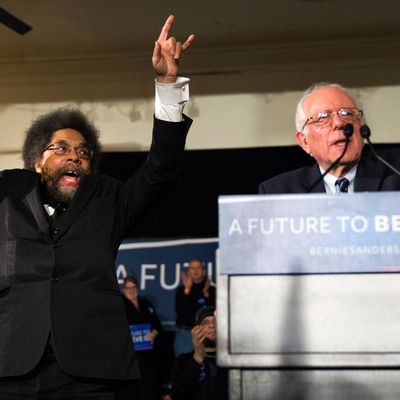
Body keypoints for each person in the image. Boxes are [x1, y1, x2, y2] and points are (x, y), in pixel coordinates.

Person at [0, 15, 194, 399]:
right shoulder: (7, 192)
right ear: (37, 162)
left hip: (91, 370)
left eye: (83, 153)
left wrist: (168, 84)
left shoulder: (110, 200)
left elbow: (162, 167)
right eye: (61, 149)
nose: (74, 157)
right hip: (11, 364)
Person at [259, 82, 400, 194]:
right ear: (304, 141)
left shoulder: (395, 171)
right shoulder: (278, 192)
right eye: (323, 117)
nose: (339, 123)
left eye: (347, 114)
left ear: (361, 127)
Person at [170, 306, 228, 400]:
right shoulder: (183, 361)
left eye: (216, 321)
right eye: (205, 322)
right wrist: (197, 358)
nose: (212, 325)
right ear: (196, 330)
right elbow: (179, 396)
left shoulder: (231, 361)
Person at [122, 276, 162, 400]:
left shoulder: (146, 304)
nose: (131, 290)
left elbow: (157, 324)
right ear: (124, 289)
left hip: (147, 354)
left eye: (133, 287)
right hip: (130, 355)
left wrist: (154, 333)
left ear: (137, 288)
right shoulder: (120, 306)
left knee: (148, 387)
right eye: (128, 288)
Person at [174, 259, 216, 357]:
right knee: (184, 367)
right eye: (192, 268)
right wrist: (187, 290)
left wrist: (206, 296)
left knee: (207, 367)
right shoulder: (181, 290)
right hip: (185, 335)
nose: (195, 271)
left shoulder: (211, 290)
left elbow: (215, 314)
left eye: (198, 267)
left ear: (204, 271)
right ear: (188, 272)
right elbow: (179, 312)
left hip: (206, 333)